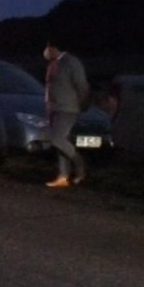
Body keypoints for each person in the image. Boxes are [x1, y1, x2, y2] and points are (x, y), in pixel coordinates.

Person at [43, 41, 90, 187]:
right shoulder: (53, 64)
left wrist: (83, 104)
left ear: (53, 48)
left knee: (57, 139)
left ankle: (79, 163)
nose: (45, 52)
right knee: (61, 141)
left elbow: (82, 85)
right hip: (55, 108)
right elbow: (50, 86)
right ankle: (63, 176)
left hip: (68, 108)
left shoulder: (71, 62)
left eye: (47, 48)